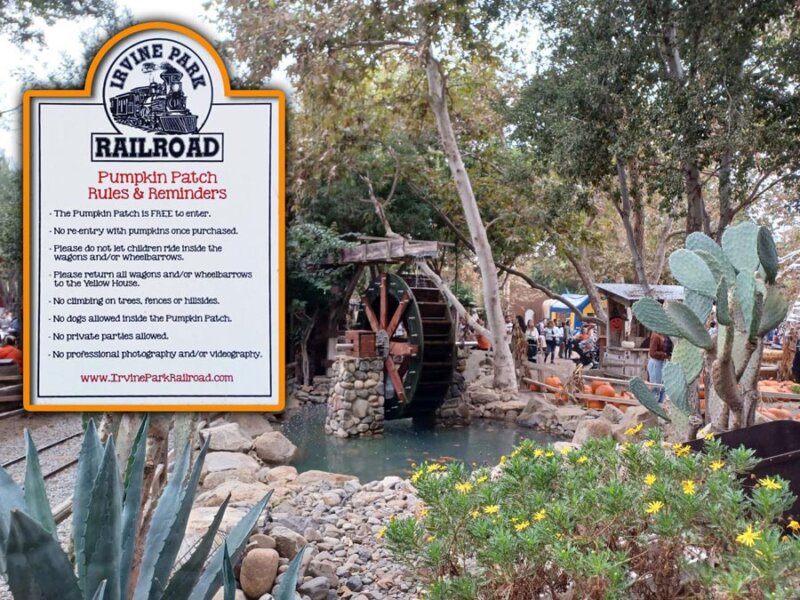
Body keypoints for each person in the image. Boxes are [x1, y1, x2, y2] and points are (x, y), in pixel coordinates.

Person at [648, 331, 669, 402]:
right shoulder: (656, 336)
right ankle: (654, 405)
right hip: (656, 363)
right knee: (656, 387)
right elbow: (652, 353)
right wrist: (664, 354)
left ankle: (662, 405)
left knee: (663, 387)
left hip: (662, 362)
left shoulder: (663, 335)